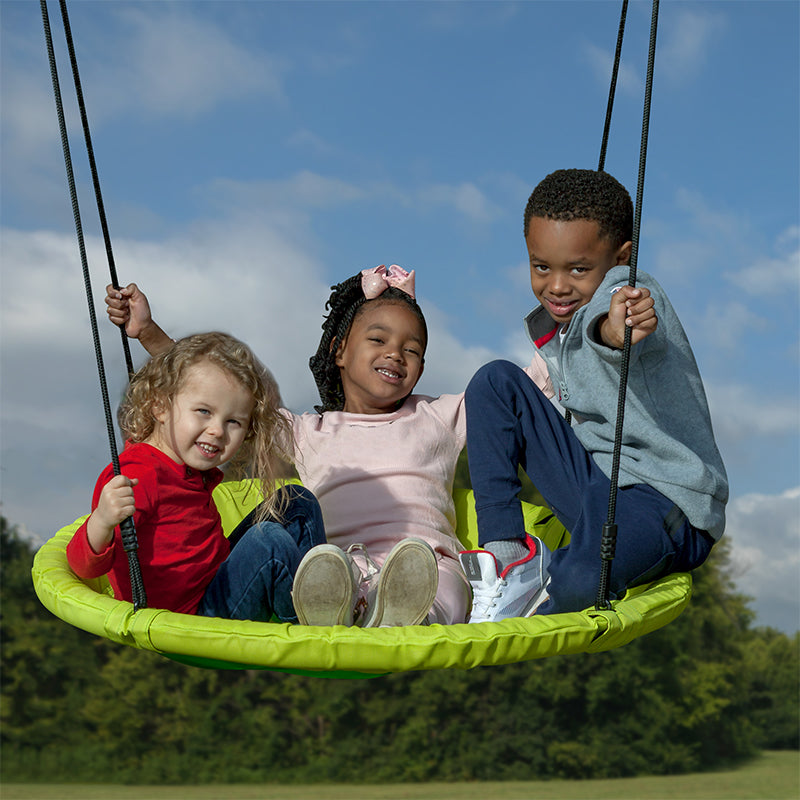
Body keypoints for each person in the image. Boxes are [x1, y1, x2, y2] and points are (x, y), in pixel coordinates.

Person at [105, 266, 537, 626]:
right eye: (378, 340)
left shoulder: (439, 414)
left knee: (445, 582)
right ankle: (337, 613)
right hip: (343, 567)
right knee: (297, 505)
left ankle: (415, 620)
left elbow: (525, 387)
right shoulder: (308, 431)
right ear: (339, 351)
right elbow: (212, 391)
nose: (396, 354)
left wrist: (579, 315)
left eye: (413, 349)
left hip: (425, 564)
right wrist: (148, 333)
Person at [459, 168, 729, 622]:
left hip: (663, 502)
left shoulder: (633, 294)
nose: (557, 285)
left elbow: (610, 322)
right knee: (494, 381)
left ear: (622, 258)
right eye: (541, 266)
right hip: (595, 487)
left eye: (578, 269)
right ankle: (505, 558)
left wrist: (616, 328)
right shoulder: (560, 326)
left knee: (581, 582)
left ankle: (549, 582)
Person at [67, 332, 326, 623]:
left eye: (233, 422)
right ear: (160, 406)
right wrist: (101, 520)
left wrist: (147, 328)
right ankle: (313, 622)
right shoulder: (138, 476)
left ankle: (324, 595)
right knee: (269, 541)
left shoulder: (187, 465)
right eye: (204, 411)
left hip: (218, 582)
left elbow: (188, 373)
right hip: (194, 617)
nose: (217, 430)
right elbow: (82, 567)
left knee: (296, 501)